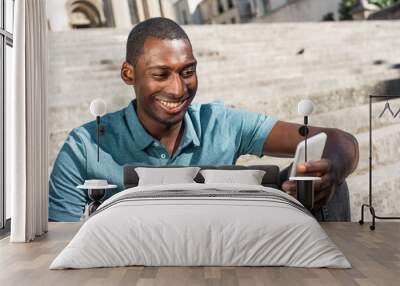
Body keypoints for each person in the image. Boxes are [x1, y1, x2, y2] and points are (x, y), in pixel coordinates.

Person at [49, 18, 359, 222]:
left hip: (230, 249)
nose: (178, 89)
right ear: (128, 74)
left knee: (333, 184)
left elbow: (342, 141)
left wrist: (328, 170)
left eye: (188, 71)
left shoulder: (220, 122)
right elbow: (60, 244)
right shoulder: (85, 147)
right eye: (160, 74)